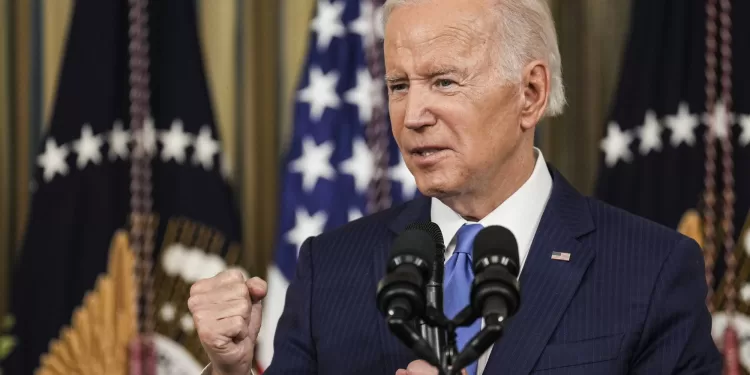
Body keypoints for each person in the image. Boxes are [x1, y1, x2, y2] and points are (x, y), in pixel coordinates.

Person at [188, 0, 722, 374]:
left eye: (444, 81)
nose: (413, 114)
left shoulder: (651, 270)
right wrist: (232, 371)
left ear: (530, 93)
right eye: (399, 85)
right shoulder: (331, 267)